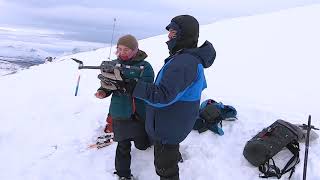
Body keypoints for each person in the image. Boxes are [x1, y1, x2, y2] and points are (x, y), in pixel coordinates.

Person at [118, 15, 216, 180]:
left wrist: (133, 87)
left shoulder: (184, 62)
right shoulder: (187, 58)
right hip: (173, 124)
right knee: (168, 160)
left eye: (173, 32)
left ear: (185, 34)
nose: (169, 36)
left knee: (166, 170)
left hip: (167, 129)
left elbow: (163, 96)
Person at [95, 34, 155, 180]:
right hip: (119, 110)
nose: (122, 52)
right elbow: (107, 84)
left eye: (126, 50)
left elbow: (148, 87)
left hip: (139, 111)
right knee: (123, 144)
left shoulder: (145, 67)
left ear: (135, 50)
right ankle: (123, 174)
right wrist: (103, 91)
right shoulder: (112, 64)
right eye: (119, 49)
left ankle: (146, 144)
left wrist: (128, 85)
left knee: (142, 143)